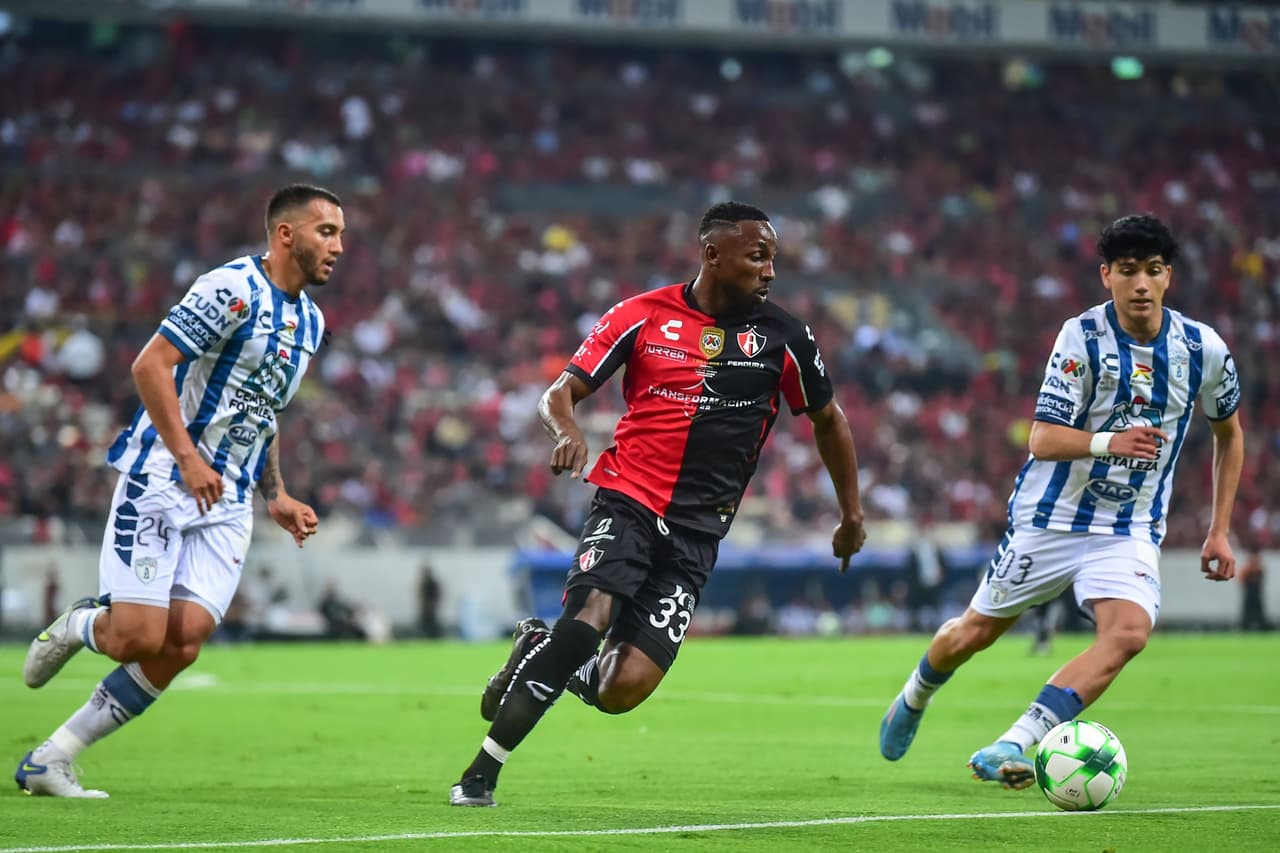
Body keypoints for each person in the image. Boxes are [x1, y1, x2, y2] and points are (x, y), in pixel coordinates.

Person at [449, 201, 867, 807]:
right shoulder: (641, 315)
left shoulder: (785, 336)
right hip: (630, 499)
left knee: (623, 689)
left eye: (774, 258)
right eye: (757, 256)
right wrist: (567, 432)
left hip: (700, 531)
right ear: (712, 254)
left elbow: (828, 421)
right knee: (590, 616)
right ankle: (481, 774)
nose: (770, 271)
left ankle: (539, 645)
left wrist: (851, 513)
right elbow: (560, 392)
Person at [877, 213, 1244, 789]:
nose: (1141, 284)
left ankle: (1013, 742)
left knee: (1128, 635)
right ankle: (915, 694)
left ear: (1168, 277)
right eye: (1128, 272)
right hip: (1050, 521)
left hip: (1128, 527)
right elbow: (1042, 439)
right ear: (1107, 276)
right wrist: (1110, 442)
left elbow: (1230, 432)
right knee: (973, 634)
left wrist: (1219, 529)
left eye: (1152, 271)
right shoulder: (1082, 336)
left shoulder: (1205, 348)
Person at [16, 184, 344, 798]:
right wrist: (189, 458)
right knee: (136, 638)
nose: (339, 247)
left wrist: (276, 494)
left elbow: (262, 411)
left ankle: (51, 758)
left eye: (341, 235)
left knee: (183, 642)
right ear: (286, 234)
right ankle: (77, 626)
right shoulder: (231, 289)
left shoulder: (312, 322)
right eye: (327, 232)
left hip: (230, 497)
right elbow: (150, 364)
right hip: (165, 477)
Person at [1239, 547, 1269, 631]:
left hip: (1256, 592)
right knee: (1247, 610)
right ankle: (1245, 627)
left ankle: (1262, 626)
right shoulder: (1247, 569)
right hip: (1249, 592)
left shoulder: (1259, 569)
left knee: (1259, 610)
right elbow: (1241, 580)